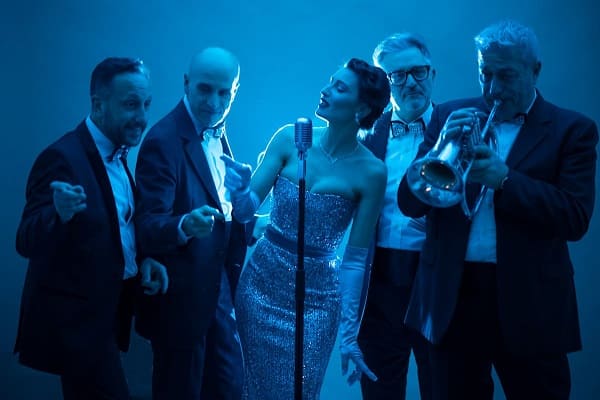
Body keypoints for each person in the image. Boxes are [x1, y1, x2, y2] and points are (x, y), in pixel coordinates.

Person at [397, 20, 598, 399]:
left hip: (530, 302)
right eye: (484, 74)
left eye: (506, 76)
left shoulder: (573, 130)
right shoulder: (448, 116)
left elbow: (574, 218)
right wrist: (440, 147)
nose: (492, 89)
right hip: (451, 301)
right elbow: (410, 204)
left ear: (535, 70)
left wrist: (504, 179)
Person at [222, 58, 391, 399]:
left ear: (361, 108)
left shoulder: (372, 172)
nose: (325, 91)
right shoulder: (289, 139)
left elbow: (356, 261)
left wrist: (349, 335)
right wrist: (238, 192)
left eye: (339, 88)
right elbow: (245, 212)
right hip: (260, 288)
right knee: (249, 390)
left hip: (318, 303)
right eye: (330, 82)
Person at [14, 57, 168, 400]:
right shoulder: (61, 158)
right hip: (78, 328)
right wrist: (58, 214)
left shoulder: (119, 154)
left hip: (108, 320)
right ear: (98, 105)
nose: (142, 117)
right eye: (131, 105)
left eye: (146, 104)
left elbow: (118, 227)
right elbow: (24, 240)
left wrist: (144, 260)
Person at [134, 47, 249, 400]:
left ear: (235, 91)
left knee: (228, 389)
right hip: (180, 304)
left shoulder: (217, 130)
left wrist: (242, 205)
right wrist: (184, 225)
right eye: (204, 89)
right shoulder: (163, 140)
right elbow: (147, 225)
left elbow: (220, 209)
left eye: (224, 93)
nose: (214, 103)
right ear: (186, 84)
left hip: (217, 294)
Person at [358, 32, 434, 400]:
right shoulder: (365, 135)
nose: (410, 83)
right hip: (378, 283)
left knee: (444, 387)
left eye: (418, 72)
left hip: (435, 281)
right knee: (380, 392)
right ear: (383, 83)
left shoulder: (460, 128)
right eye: (397, 76)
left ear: (432, 73)